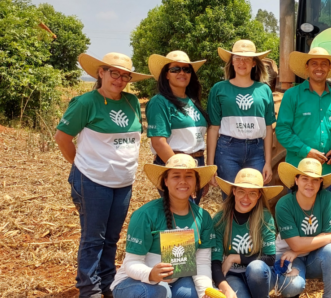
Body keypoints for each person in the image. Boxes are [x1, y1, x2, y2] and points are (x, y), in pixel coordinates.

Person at [55, 52, 151, 298]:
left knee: (111, 237)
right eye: (114, 73)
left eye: (125, 75)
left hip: (123, 183)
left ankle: (107, 284)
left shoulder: (130, 102)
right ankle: (89, 289)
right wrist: (81, 163)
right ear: (101, 72)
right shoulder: (85, 103)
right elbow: (62, 138)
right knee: (93, 238)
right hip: (92, 182)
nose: (119, 79)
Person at [109, 154, 225, 298]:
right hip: (134, 282)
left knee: (192, 294)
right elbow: (132, 262)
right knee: (158, 292)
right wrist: (150, 274)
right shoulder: (145, 214)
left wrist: (205, 292)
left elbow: (201, 263)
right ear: (166, 181)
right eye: (176, 176)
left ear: (196, 182)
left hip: (174, 281)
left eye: (189, 176)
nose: (183, 181)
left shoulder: (203, 217)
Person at [275, 47, 331, 194]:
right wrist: (306, 151)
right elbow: (282, 130)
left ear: (329, 68)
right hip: (299, 169)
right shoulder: (292, 95)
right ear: (307, 67)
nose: (319, 68)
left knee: (324, 215)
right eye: (314, 63)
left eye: (323, 64)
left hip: (327, 171)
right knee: (298, 214)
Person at [207, 40, 276, 195]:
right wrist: (210, 164)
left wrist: (268, 162)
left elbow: (268, 128)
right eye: (237, 58)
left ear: (254, 63)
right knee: (231, 197)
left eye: (247, 59)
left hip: (257, 151)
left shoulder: (264, 90)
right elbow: (213, 128)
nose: (241, 62)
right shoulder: (219, 89)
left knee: (254, 195)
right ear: (232, 62)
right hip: (227, 150)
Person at [273, 158, 331, 298]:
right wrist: (330, 237)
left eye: (315, 180)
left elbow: (330, 233)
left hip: (314, 255)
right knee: (293, 286)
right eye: (305, 178)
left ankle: (330, 296)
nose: (310, 184)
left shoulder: (327, 198)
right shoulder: (284, 204)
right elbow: (296, 244)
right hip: (287, 255)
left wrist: (297, 250)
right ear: (296, 180)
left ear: (321, 182)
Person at [146, 50, 209, 204]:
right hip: (175, 165)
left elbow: (196, 140)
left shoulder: (192, 100)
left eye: (186, 69)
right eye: (175, 69)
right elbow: (159, 143)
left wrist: (201, 172)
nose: (182, 73)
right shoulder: (159, 102)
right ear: (166, 74)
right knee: (180, 217)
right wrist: (183, 174)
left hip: (196, 164)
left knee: (189, 214)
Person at [212, 168, 284, 298]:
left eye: (252, 193)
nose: (246, 198)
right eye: (241, 191)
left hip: (260, 274)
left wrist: (234, 257)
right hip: (233, 274)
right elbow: (215, 262)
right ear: (234, 191)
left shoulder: (265, 217)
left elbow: (270, 258)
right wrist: (224, 286)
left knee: (255, 268)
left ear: (259, 195)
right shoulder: (220, 219)